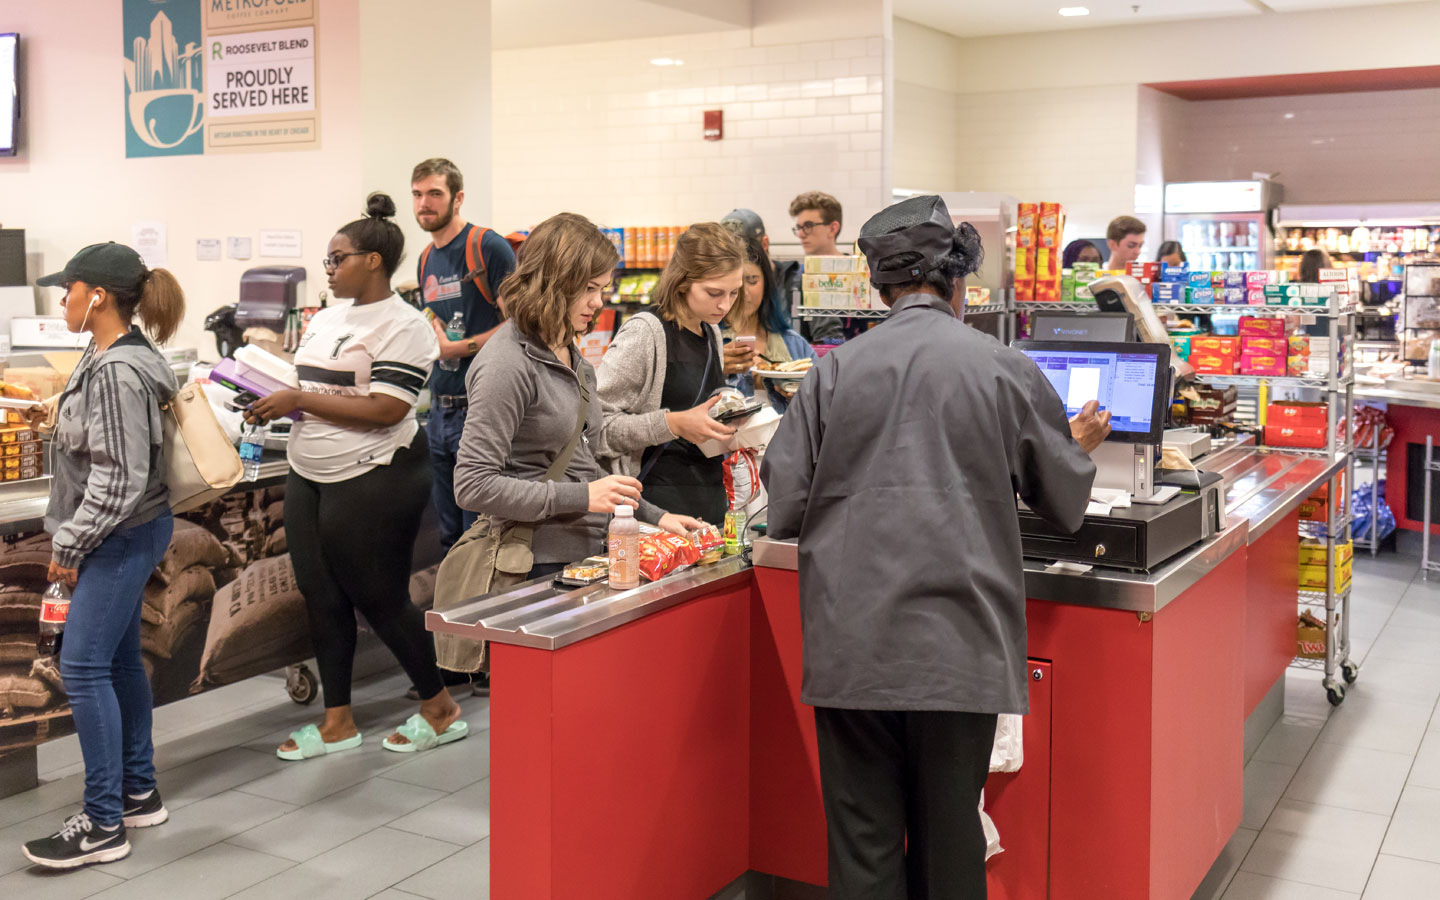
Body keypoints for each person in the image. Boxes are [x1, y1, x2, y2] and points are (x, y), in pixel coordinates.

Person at [761, 195, 1110, 899]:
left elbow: (786, 507)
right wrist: (1075, 446)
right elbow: (1066, 502)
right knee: (952, 839)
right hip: (961, 645)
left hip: (853, 644)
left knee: (863, 847)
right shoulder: (1003, 368)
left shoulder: (831, 372)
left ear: (879, 286)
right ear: (958, 283)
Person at [247, 193, 466, 760]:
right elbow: (319, 389)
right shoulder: (325, 319)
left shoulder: (406, 326)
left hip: (375, 474)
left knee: (380, 597)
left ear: (372, 260)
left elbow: (388, 409)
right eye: (327, 259)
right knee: (320, 594)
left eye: (337, 258)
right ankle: (337, 721)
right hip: (309, 469)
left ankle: (440, 707)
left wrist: (300, 397)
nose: (329, 268)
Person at [23, 243, 185, 868]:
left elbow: (119, 478)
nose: (60, 300)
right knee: (117, 665)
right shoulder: (115, 355)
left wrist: (69, 544)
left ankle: (102, 824)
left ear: (98, 297)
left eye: (68, 290)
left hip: (116, 536)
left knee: (84, 669)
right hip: (127, 532)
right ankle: (138, 791)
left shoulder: (118, 370)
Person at [454, 213, 704, 581]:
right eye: (588, 288)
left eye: (601, 288)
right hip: (527, 565)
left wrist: (656, 517)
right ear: (553, 283)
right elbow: (472, 484)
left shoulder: (573, 357)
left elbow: (582, 467)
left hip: (584, 558)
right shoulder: (506, 364)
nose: (598, 302)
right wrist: (582, 497)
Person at [597, 222, 742, 526]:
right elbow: (597, 429)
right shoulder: (645, 333)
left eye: (733, 293)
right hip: (652, 507)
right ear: (682, 282)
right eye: (714, 292)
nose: (724, 304)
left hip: (709, 499)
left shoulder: (711, 332)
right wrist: (672, 423)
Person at [411, 157, 518, 551]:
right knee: (450, 536)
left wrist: (461, 347)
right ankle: (450, 611)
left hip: (480, 408)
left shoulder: (487, 246)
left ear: (458, 198)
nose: (424, 203)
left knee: (481, 534)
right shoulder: (425, 258)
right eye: (418, 195)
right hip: (439, 409)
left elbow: (519, 323)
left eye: (434, 194)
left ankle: (479, 613)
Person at [719, 229, 818, 412]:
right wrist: (715, 371)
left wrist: (802, 398)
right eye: (736, 282)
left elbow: (824, 404)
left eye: (752, 280)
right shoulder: (707, 343)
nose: (744, 292)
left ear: (766, 283)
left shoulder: (795, 345)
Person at [771, 193, 846, 344]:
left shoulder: (861, 275)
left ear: (833, 228)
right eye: (799, 227)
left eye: (808, 226)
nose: (801, 234)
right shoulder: (796, 277)